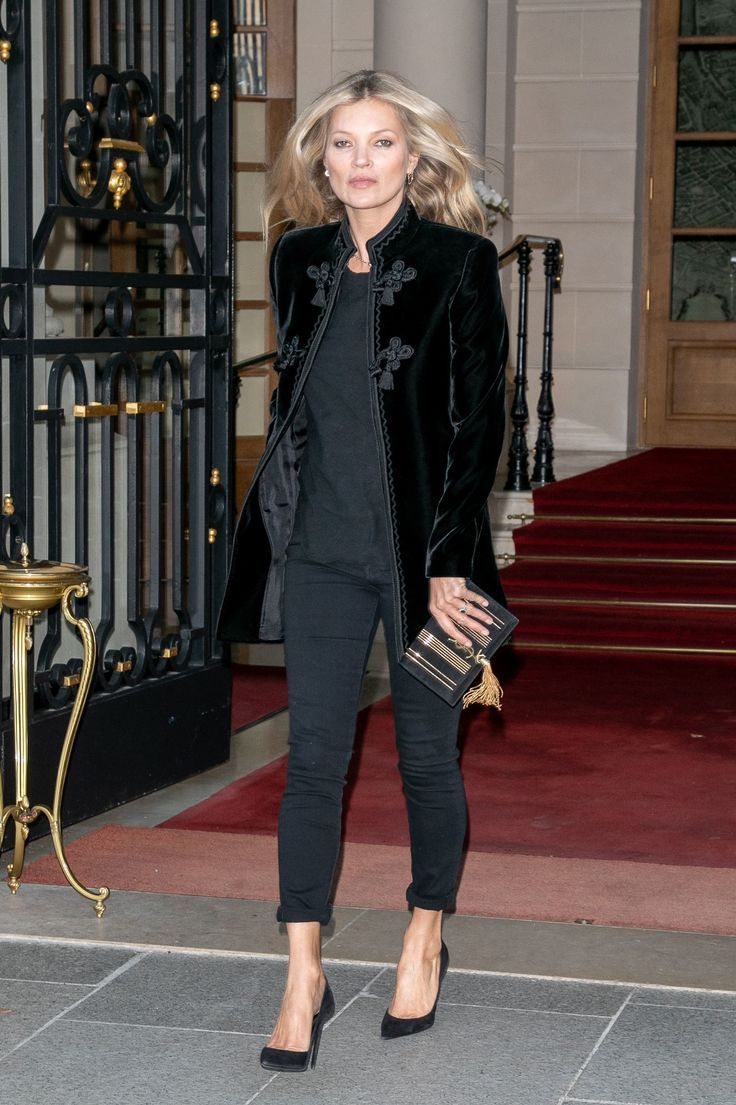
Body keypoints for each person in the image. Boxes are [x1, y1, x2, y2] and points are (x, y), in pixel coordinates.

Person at [217, 69, 509, 1072]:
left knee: (426, 758)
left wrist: (451, 561)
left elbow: (478, 424)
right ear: (321, 156)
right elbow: (297, 400)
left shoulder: (460, 262)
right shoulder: (296, 255)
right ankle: (302, 973)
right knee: (312, 761)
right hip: (322, 552)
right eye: (342, 144)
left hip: (426, 564)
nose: (360, 162)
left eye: (381, 143)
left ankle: (424, 933)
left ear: (412, 156)